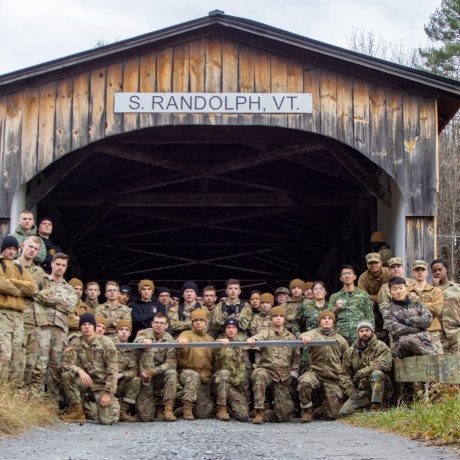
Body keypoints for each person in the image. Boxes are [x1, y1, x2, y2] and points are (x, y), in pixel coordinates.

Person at [61, 313, 119, 424]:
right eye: (83, 324)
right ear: (80, 328)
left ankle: (90, 408)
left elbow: (113, 370)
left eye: (89, 324)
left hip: (102, 384)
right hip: (85, 381)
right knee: (67, 376)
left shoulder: (106, 343)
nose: (87, 327)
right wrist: (79, 370)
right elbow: (67, 363)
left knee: (108, 420)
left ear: (94, 327)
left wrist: (107, 393)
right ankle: (78, 412)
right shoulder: (75, 343)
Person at [247, 306, 300, 424]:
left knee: (284, 416)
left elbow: (296, 357)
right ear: (271, 319)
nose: (278, 318)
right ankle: (259, 411)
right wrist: (253, 338)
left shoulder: (291, 337)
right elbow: (258, 337)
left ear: (284, 319)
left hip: (283, 376)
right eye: (275, 316)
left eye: (281, 316)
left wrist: (293, 373)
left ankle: (267, 414)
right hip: (267, 371)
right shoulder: (266, 333)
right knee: (259, 374)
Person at [36, 252, 78, 395]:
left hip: (60, 329)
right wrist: (60, 301)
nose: (60, 267)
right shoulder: (42, 281)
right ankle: (35, 399)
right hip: (43, 327)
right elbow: (38, 297)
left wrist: (50, 299)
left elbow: (71, 307)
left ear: (66, 268)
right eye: (58, 264)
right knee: (39, 364)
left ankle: (51, 402)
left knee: (56, 366)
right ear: (52, 264)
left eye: (63, 265)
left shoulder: (70, 289)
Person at [299, 311, 349, 422]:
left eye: (329, 319)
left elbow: (347, 359)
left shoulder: (340, 339)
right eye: (324, 318)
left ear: (333, 322)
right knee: (305, 382)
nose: (327, 320)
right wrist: (305, 337)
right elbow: (303, 335)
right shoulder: (314, 334)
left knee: (334, 415)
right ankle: (307, 411)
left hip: (332, 376)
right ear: (319, 322)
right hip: (315, 373)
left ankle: (321, 409)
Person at [338, 321, 393, 417]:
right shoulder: (350, 352)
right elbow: (344, 374)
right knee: (344, 412)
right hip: (363, 389)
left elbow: (384, 364)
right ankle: (368, 408)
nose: (364, 333)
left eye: (367, 330)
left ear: (372, 332)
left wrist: (361, 372)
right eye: (361, 331)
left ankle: (376, 408)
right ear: (358, 333)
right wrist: (350, 389)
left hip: (382, 387)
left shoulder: (381, 346)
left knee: (377, 373)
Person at [0, 235, 35, 382]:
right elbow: (1, 283)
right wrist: (18, 291)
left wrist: (12, 282)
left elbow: (32, 288)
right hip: (3, 313)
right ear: (3, 249)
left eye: (14, 249)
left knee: (17, 354)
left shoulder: (19, 267)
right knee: (4, 353)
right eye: (9, 248)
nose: (12, 251)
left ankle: (11, 391)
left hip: (19, 316)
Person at [17, 236, 48, 391]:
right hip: (19, 319)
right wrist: (32, 291)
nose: (32, 250)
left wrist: (33, 292)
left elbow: (48, 293)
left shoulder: (39, 272)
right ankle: (12, 392)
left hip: (36, 321)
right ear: (23, 246)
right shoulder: (13, 266)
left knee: (31, 360)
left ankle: (23, 395)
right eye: (30, 246)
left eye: (35, 249)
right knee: (17, 358)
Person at [135, 312, 178, 422]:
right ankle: (153, 407)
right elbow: (137, 341)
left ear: (166, 325)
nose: (159, 325)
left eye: (162, 323)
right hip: (144, 377)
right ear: (152, 323)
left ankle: (168, 410)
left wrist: (153, 371)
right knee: (146, 417)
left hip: (158, 375)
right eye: (156, 322)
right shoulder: (144, 333)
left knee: (172, 373)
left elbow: (170, 362)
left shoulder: (169, 339)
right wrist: (143, 341)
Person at [382, 277, 437, 358]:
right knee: (410, 341)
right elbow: (396, 329)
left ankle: (432, 355)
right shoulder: (388, 310)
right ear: (390, 292)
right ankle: (433, 356)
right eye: (395, 289)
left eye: (401, 288)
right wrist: (420, 328)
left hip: (424, 342)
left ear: (406, 289)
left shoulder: (418, 304)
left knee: (436, 346)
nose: (398, 291)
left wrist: (409, 321)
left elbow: (428, 320)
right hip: (401, 346)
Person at [177, 309, 215, 420]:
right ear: (192, 323)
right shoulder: (186, 334)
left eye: (201, 320)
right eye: (196, 320)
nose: (198, 322)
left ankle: (179, 409)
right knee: (193, 376)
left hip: (204, 379)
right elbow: (180, 345)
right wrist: (182, 343)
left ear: (205, 323)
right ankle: (186, 409)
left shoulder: (210, 339)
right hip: (187, 375)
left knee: (204, 414)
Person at [213, 318, 249, 422]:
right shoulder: (219, 343)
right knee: (225, 373)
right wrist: (221, 343)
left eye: (234, 327)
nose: (231, 330)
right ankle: (221, 409)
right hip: (219, 382)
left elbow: (243, 369)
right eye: (228, 327)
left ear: (237, 330)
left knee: (243, 416)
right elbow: (217, 352)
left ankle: (229, 408)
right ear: (225, 330)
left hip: (234, 385)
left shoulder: (241, 346)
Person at [328, 265, 374, 345]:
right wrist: (336, 308)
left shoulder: (363, 295)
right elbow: (327, 316)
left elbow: (369, 315)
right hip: (341, 335)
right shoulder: (335, 296)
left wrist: (370, 333)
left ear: (355, 277)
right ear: (341, 278)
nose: (347, 276)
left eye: (349, 273)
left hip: (360, 334)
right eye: (344, 274)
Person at [408, 260, 444, 354]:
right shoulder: (406, 292)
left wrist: (417, 305)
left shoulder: (436, 291)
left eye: (422, 270)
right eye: (417, 270)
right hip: (413, 333)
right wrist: (428, 306)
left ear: (427, 272)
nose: (420, 272)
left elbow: (436, 309)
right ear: (413, 272)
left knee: (439, 360)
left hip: (432, 332)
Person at [358, 253, 391, 341]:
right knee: (367, 304)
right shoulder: (363, 277)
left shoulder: (388, 272)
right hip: (371, 302)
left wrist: (382, 297)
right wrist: (376, 298)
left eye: (376, 263)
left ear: (380, 263)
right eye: (371, 263)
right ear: (367, 265)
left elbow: (394, 288)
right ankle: (370, 329)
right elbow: (362, 295)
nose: (373, 265)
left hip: (386, 299)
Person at [113, 319, 141, 422]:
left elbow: (134, 370)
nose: (124, 332)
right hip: (108, 383)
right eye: (121, 329)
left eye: (126, 330)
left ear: (130, 333)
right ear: (117, 332)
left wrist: (122, 375)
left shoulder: (132, 349)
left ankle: (123, 411)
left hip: (122, 382)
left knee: (136, 380)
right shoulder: (110, 346)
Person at [431, 259, 460, 353]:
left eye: (440, 269)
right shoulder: (430, 291)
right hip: (438, 336)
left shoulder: (457, 288)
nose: (437, 272)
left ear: (446, 269)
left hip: (456, 332)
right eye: (434, 271)